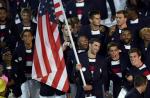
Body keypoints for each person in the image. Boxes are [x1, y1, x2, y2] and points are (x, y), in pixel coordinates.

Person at [13, 29, 40, 98]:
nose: (27, 38)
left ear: (32, 37)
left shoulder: (37, 49)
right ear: (22, 38)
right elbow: (14, 64)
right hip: (23, 80)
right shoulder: (18, 50)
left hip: (36, 80)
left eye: (29, 36)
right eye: (25, 36)